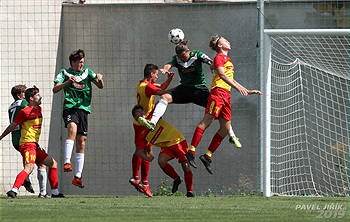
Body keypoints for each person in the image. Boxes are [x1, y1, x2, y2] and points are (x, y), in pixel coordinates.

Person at [137, 40, 242, 169]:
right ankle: (153, 122)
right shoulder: (176, 59)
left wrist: (211, 64)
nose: (183, 60)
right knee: (164, 97)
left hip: (199, 90)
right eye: (180, 58)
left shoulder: (196, 54)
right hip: (185, 89)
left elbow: (209, 60)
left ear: (188, 51)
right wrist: (165, 68)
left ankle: (231, 135)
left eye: (184, 56)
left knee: (219, 113)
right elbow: (169, 64)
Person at [191, 36, 262, 174]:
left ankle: (207, 156)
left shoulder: (228, 60)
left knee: (225, 129)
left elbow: (231, 79)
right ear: (219, 45)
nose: (228, 41)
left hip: (226, 95)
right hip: (218, 93)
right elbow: (222, 76)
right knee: (207, 121)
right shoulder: (219, 57)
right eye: (225, 40)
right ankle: (191, 151)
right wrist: (238, 89)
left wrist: (246, 90)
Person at [52, 49, 104, 188]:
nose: (82, 64)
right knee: (72, 131)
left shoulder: (87, 71)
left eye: (82, 62)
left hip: (84, 109)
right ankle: (67, 162)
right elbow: (55, 89)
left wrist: (100, 78)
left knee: (81, 142)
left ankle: (78, 177)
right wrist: (67, 82)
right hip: (70, 107)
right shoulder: (64, 73)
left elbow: (100, 86)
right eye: (80, 62)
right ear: (73, 62)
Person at [0, 86, 64, 198]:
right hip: (27, 144)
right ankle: (14, 190)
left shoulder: (39, 109)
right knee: (29, 167)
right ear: (31, 98)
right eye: (38, 95)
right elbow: (13, 125)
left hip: (34, 145)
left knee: (53, 163)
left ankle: (54, 192)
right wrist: (1, 137)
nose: (40, 96)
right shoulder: (25, 111)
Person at [130, 63, 174, 197]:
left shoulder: (142, 84)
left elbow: (160, 87)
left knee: (144, 149)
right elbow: (162, 92)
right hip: (145, 124)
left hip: (140, 122)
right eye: (156, 74)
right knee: (144, 151)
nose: (157, 77)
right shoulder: (148, 87)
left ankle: (139, 179)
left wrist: (169, 80)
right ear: (151, 74)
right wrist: (180, 90)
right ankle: (142, 181)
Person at [132, 105, 194, 197]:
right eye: (138, 112)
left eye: (142, 111)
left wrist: (165, 96)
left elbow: (159, 104)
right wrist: (146, 158)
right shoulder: (140, 133)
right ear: (135, 118)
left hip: (177, 140)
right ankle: (176, 179)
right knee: (161, 161)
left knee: (185, 164)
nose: (142, 113)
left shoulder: (152, 117)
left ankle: (190, 191)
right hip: (166, 146)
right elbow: (138, 151)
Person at [9, 84, 49, 198]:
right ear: (19, 95)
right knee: (30, 165)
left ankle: (42, 192)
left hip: (16, 138)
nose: (25, 94)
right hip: (25, 138)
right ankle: (23, 181)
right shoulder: (24, 105)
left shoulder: (11, 106)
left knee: (40, 163)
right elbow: (29, 110)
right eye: (24, 93)